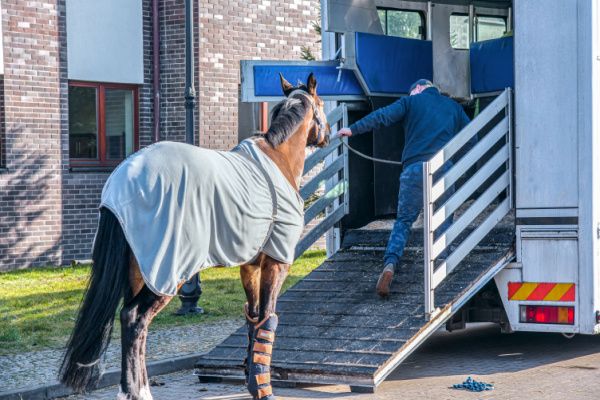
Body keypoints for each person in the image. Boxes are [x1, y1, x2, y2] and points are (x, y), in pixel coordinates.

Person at [337, 79, 470, 298]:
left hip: (414, 170)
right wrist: (458, 165)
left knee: (404, 221)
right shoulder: (453, 107)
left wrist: (352, 129)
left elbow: (382, 116)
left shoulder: (411, 102)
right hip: (443, 168)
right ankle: (442, 265)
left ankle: (390, 265)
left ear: (417, 89)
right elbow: (471, 137)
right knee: (444, 217)